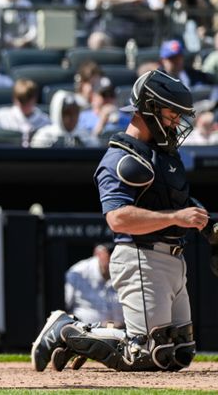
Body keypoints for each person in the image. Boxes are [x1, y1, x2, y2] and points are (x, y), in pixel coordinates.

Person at [32, 69, 218, 373]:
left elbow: (180, 203)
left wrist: (210, 228)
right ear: (151, 108)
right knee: (147, 354)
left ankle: (86, 342)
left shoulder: (163, 155)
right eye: (172, 113)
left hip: (174, 259)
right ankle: (65, 328)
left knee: (180, 354)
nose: (177, 122)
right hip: (140, 256)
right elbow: (117, 219)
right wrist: (175, 217)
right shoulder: (121, 159)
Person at [65, 244, 124, 327]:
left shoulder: (128, 270)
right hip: (84, 334)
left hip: (122, 334)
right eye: (110, 252)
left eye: (118, 252)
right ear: (98, 253)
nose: (115, 256)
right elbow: (62, 311)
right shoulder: (77, 273)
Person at [30, 90, 98, 148]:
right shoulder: (44, 136)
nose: (73, 117)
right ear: (57, 113)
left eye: (75, 112)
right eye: (67, 113)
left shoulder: (85, 136)